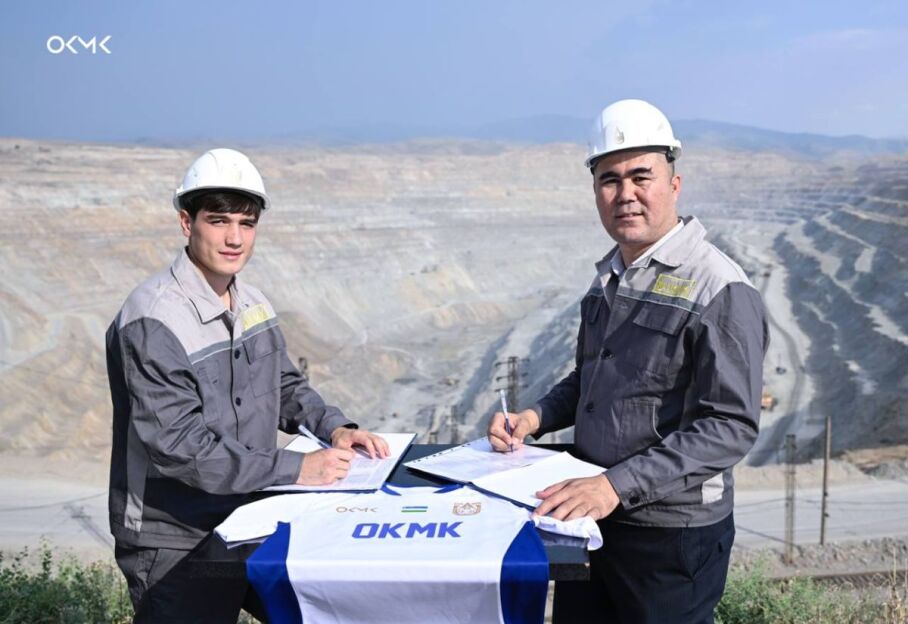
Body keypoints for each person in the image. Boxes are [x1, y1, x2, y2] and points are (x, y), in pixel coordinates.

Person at [487, 100, 768, 623]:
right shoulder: (611, 278)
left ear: (674, 185)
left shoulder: (719, 288)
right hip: (594, 515)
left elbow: (729, 426)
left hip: (669, 535)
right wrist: (535, 417)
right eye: (610, 180)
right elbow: (591, 379)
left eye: (641, 176)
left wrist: (614, 486)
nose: (626, 194)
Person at [106, 148, 389, 622]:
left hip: (247, 516)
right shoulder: (154, 320)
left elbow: (284, 385)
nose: (235, 238)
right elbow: (182, 448)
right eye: (218, 221)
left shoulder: (252, 303)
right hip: (176, 537)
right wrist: (297, 469)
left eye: (247, 223)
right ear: (186, 222)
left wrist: (336, 428)